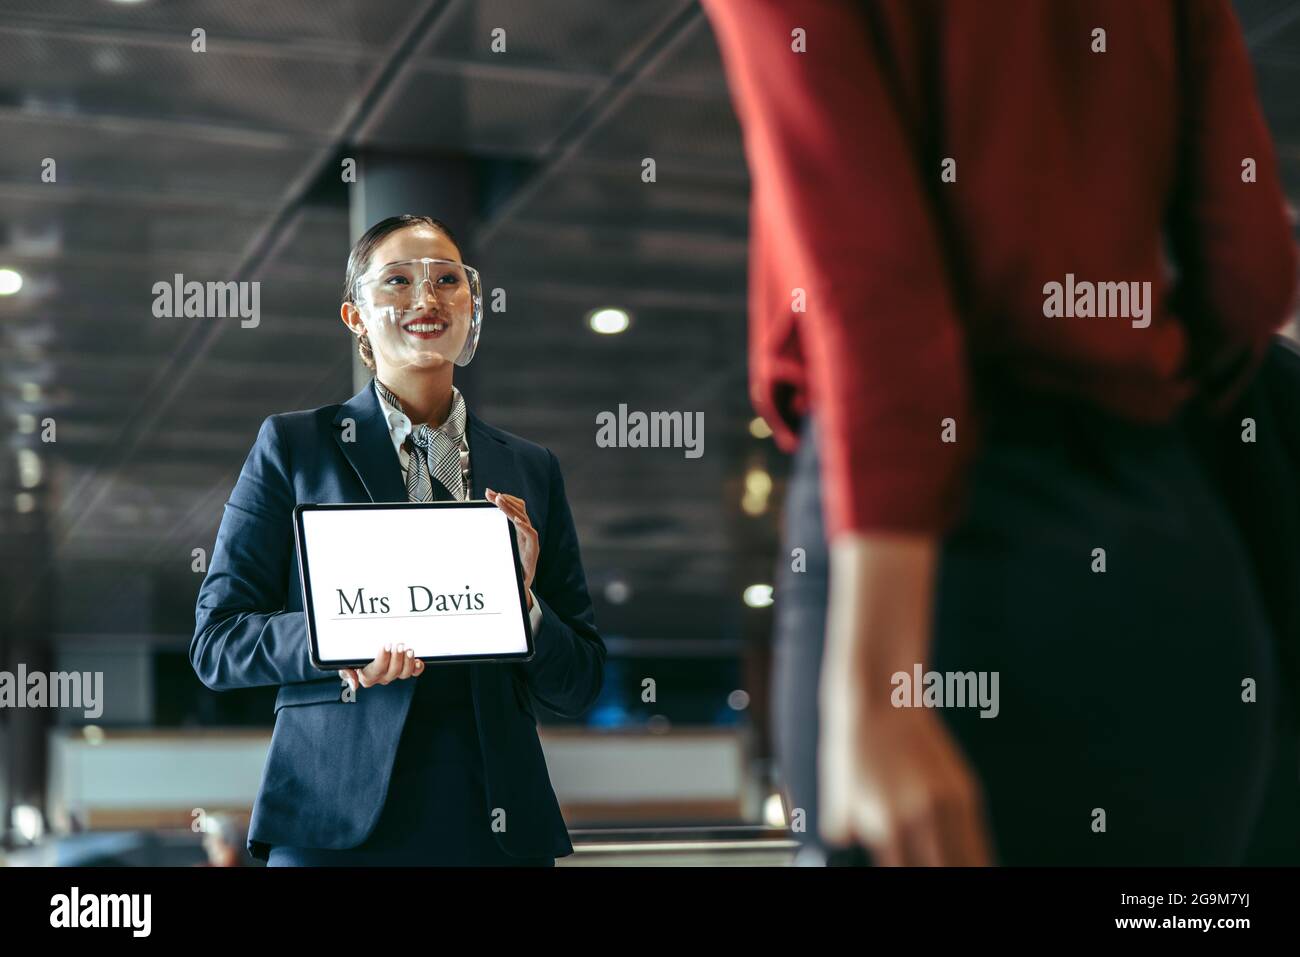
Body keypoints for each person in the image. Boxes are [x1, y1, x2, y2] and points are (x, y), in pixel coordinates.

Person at [702, 0, 1298, 864]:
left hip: (927, 563)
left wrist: (881, 686)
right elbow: (1250, 274)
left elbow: (876, 295)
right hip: (1165, 546)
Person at [191, 214, 605, 865]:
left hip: (493, 826)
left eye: (447, 280)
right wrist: (336, 638)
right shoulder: (295, 447)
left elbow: (580, 682)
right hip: (333, 822)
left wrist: (522, 603)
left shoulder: (530, 469)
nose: (426, 299)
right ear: (355, 316)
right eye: (398, 281)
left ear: (472, 307)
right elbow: (216, 642)